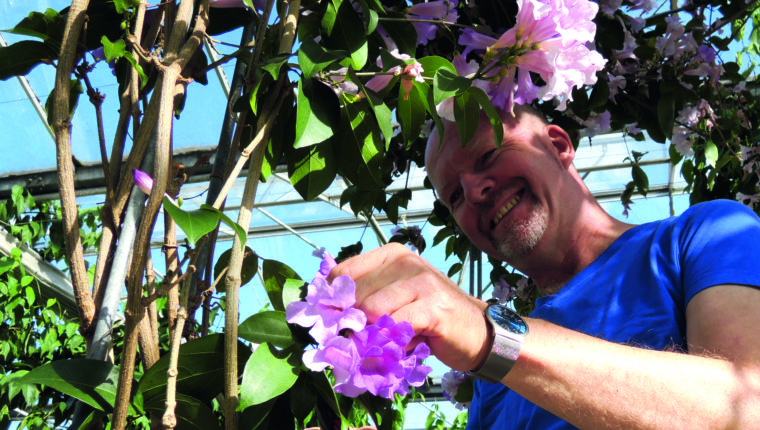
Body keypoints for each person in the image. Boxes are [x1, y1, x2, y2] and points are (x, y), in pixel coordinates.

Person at [329, 105, 760, 429]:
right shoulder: (493, 382)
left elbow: (749, 408)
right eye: (454, 197)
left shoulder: (706, 235)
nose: (474, 192)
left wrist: (494, 336)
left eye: (488, 155)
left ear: (558, 145)